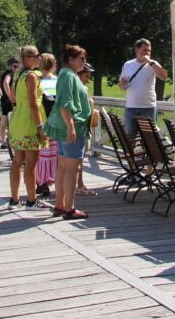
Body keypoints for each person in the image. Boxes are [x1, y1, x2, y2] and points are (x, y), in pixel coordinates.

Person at [44, 45, 92, 220]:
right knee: (72, 168)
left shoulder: (67, 75)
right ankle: (69, 208)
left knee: (63, 166)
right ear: (70, 60)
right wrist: (71, 126)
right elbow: (65, 103)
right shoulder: (68, 75)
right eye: (81, 59)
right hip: (71, 128)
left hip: (65, 127)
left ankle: (60, 204)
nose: (84, 62)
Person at [7, 45, 48, 209]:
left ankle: (14, 199)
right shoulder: (31, 76)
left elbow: (12, 97)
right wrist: (40, 126)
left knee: (17, 161)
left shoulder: (18, 75)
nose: (39, 58)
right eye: (36, 56)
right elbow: (33, 104)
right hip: (30, 120)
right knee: (31, 163)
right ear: (26, 59)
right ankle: (31, 200)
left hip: (18, 119)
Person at [118, 38, 167, 137]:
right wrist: (122, 84)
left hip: (148, 107)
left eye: (149, 50)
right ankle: (130, 153)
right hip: (131, 107)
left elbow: (163, 76)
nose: (147, 53)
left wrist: (150, 62)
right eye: (144, 50)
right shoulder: (128, 64)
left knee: (150, 138)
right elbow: (121, 87)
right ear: (136, 50)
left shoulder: (153, 64)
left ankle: (147, 153)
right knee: (130, 138)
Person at [35, 53, 59, 199]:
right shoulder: (54, 81)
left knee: (41, 154)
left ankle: (41, 181)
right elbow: (53, 103)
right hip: (53, 122)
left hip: (39, 121)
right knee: (52, 153)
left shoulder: (36, 80)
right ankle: (48, 181)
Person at [75, 63, 97, 197]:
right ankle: (80, 185)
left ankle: (78, 184)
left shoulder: (80, 87)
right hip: (80, 127)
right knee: (79, 159)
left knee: (78, 159)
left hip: (82, 127)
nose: (88, 79)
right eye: (86, 76)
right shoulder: (80, 88)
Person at [0, 57, 19, 149]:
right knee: (14, 120)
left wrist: (1, 95)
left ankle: (3, 142)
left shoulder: (3, 74)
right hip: (10, 100)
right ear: (10, 66)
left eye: (17, 66)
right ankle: (12, 140)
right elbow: (5, 83)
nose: (16, 68)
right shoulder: (9, 74)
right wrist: (10, 97)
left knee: (4, 121)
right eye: (14, 66)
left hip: (4, 100)